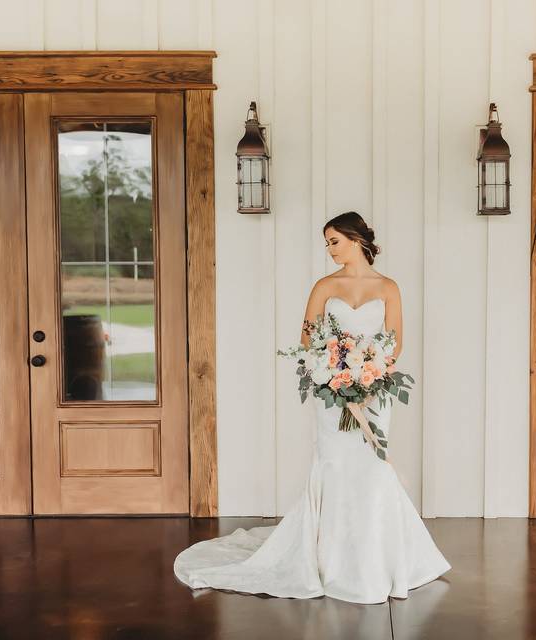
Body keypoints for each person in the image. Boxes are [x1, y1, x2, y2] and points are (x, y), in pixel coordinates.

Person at [173, 211, 451, 604]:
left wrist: (369, 373)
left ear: (357, 240)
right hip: (330, 391)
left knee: (373, 468)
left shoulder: (389, 287)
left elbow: (395, 343)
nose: (330, 250)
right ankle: (328, 562)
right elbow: (307, 342)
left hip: (374, 394)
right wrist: (336, 369)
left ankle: (376, 563)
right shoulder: (324, 286)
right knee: (335, 465)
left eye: (334, 241)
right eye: (327, 243)